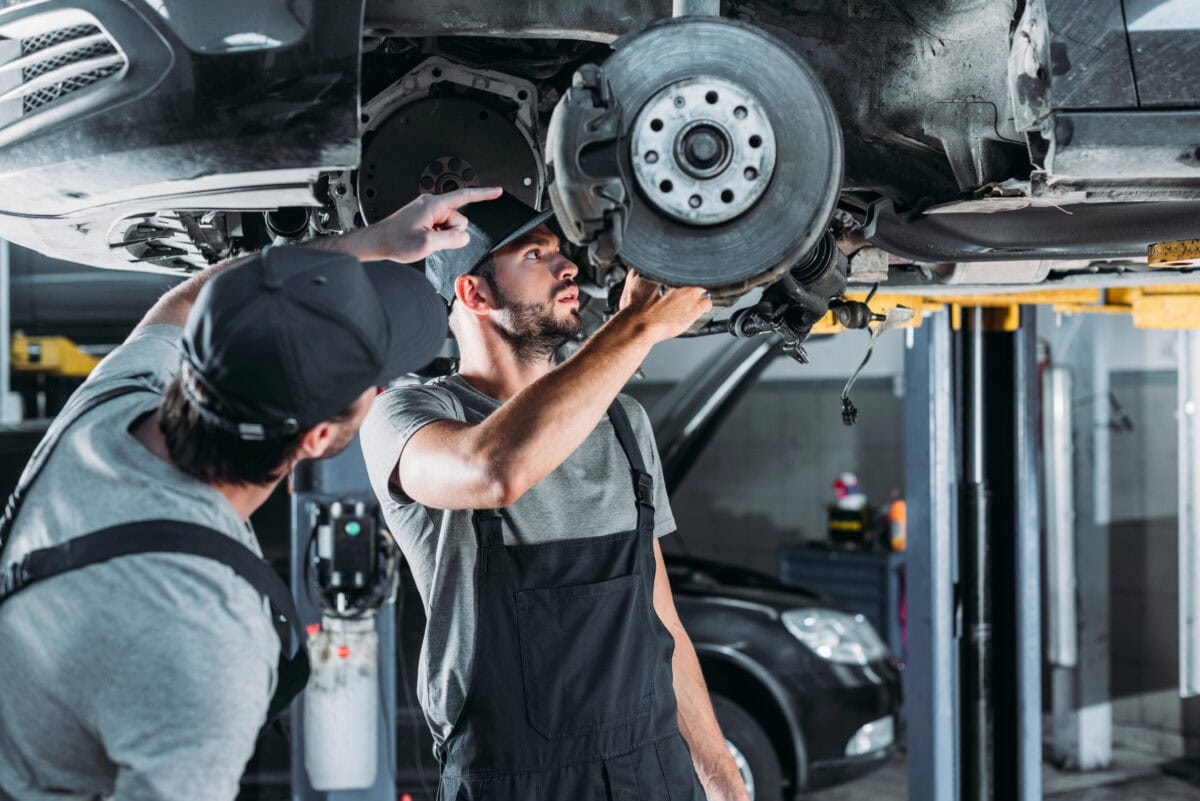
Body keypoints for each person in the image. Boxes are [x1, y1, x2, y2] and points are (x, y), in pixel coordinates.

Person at [0, 186, 502, 801]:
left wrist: (361, 246)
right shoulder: (207, 645)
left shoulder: (112, 408)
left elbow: (189, 298)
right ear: (319, 437)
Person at [359, 193, 750, 801]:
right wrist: (635, 326)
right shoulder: (410, 414)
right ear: (474, 295)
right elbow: (493, 472)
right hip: (515, 780)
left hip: (650, 768)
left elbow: (661, 618)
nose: (568, 268)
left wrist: (723, 779)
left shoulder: (624, 422)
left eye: (561, 253)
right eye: (535, 255)